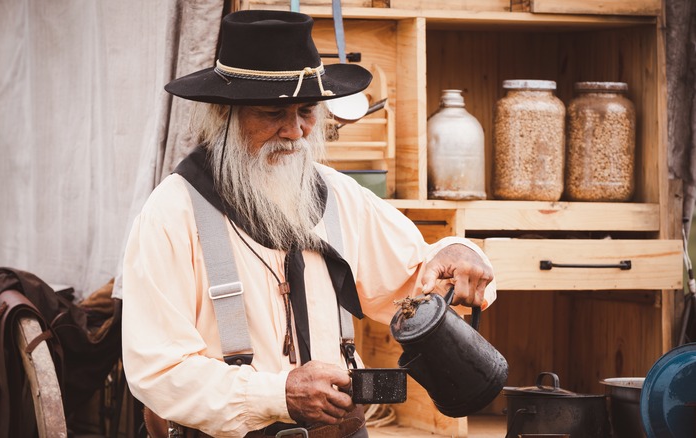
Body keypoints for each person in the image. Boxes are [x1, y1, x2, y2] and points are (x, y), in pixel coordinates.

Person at [121, 9, 496, 438]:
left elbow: (418, 276)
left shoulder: (337, 194)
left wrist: (459, 253)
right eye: (271, 113)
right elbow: (157, 370)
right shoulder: (173, 211)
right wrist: (277, 394)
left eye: (307, 111)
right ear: (223, 118)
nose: (296, 132)